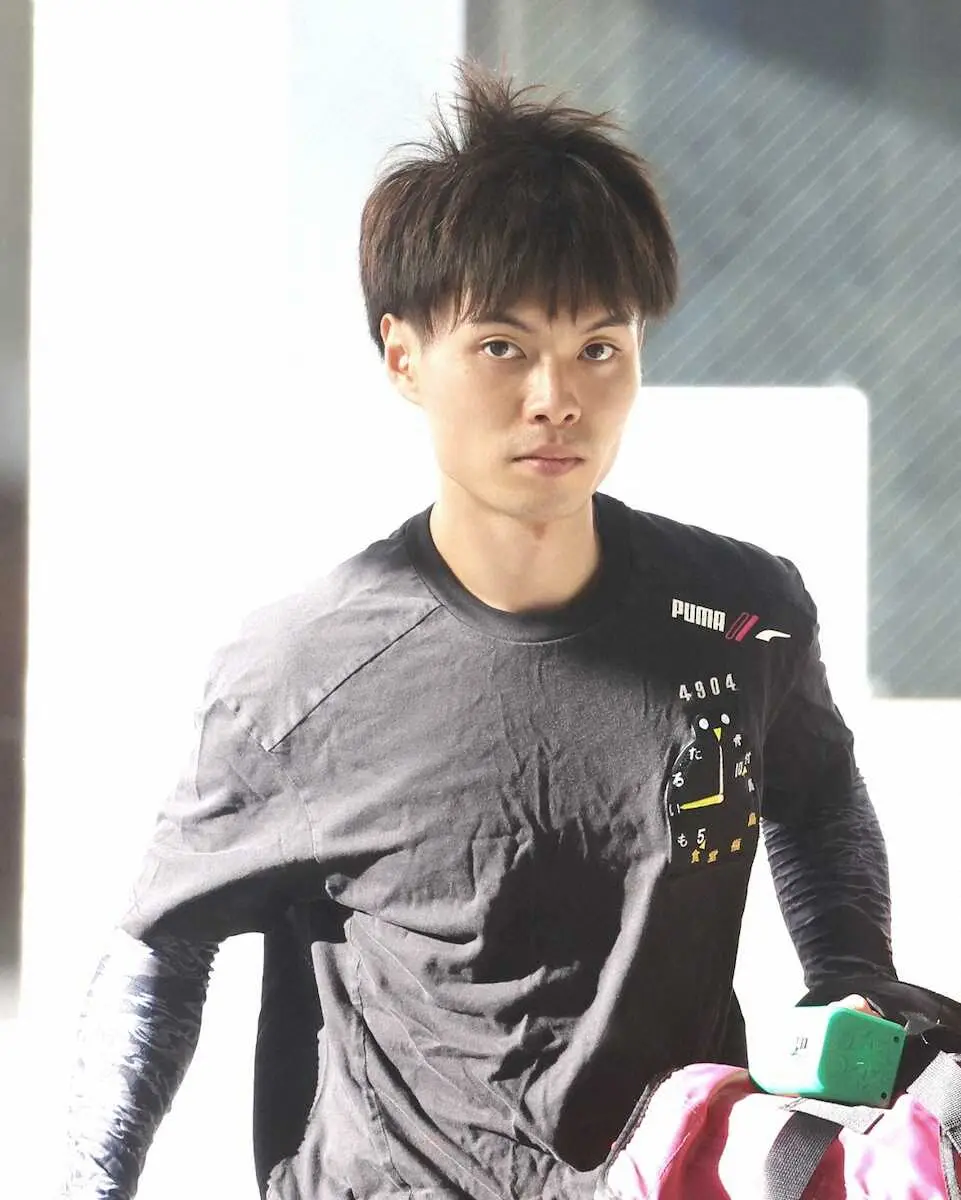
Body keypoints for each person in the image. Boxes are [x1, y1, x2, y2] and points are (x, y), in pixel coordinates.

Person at [62, 57, 895, 1200]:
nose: (557, 397)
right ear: (404, 358)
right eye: (503, 347)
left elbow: (815, 789)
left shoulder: (743, 617)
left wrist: (852, 991)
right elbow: (160, 945)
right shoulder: (300, 672)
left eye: (599, 348)